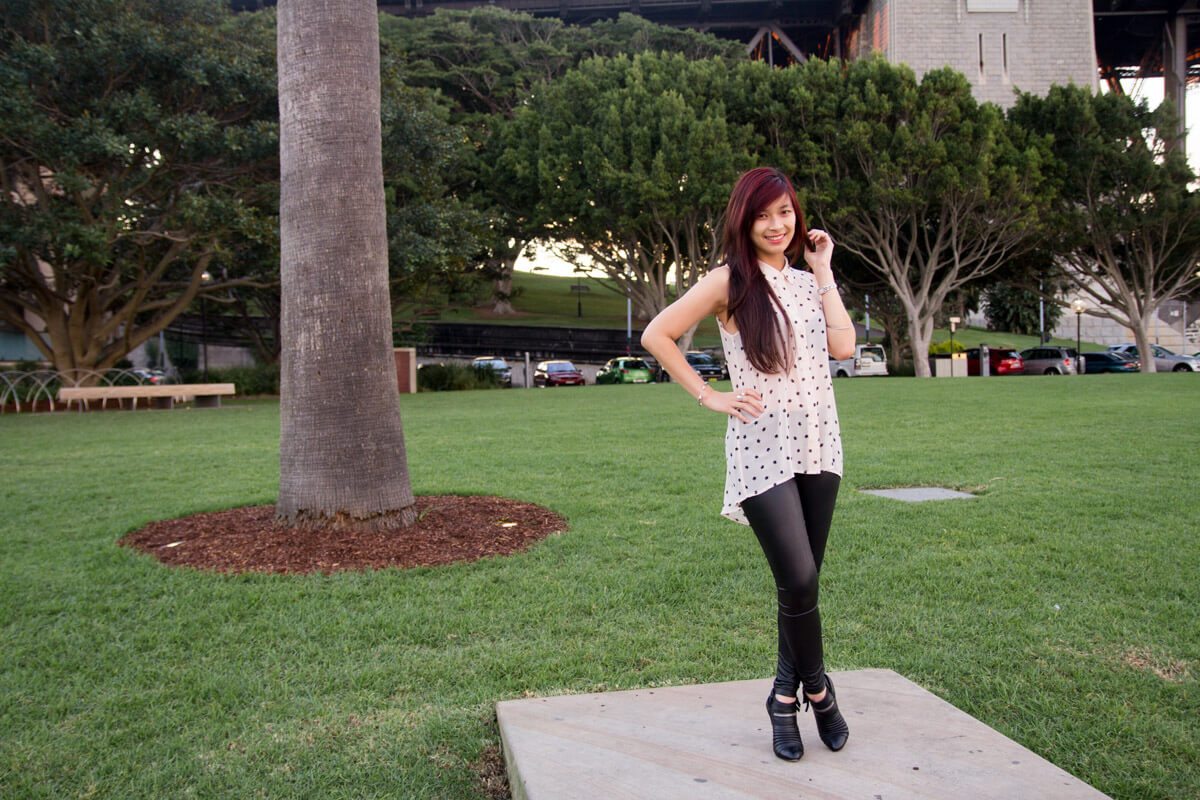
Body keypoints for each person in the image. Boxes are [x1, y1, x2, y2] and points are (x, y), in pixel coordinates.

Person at [641, 167, 855, 762]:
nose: (777, 225)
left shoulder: (812, 279)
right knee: (801, 578)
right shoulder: (729, 282)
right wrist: (710, 395)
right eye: (764, 215)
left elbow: (842, 347)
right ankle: (817, 690)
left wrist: (825, 272)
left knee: (799, 582)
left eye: (785, 212)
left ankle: (783, 696)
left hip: (819, 440)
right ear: (745, 220)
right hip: (762, 445)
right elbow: (658, 334)